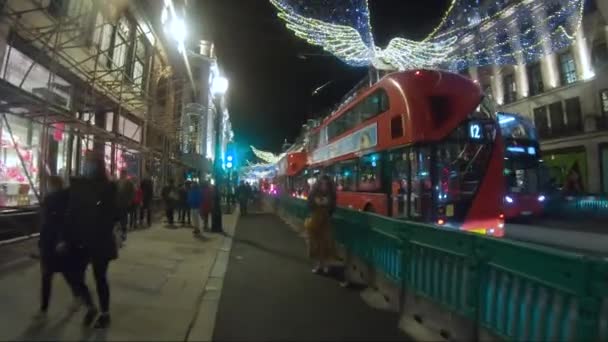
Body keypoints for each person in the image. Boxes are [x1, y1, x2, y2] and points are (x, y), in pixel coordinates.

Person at [64, 153, 118, 329]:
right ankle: (90, 306)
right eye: (86, 163)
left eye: (90, 164)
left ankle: (104, 313)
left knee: (100, 277)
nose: (87, 167)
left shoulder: (108, 188)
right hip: (80, 239)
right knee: (73, 274)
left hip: (100, 240)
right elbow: (71, 210)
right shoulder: (79, 185)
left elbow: (114, 214)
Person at [37, 176, 87, 318]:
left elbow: (47, 224)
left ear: (53, 186)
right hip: (58, 244)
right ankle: (77, 297)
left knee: (48, 277)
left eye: (49, 185)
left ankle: (44, 309)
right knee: (65, 274)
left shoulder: (51, 201)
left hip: (51, 244)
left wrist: (43, 241)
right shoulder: (65, 201)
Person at [306, 175, 336, 274]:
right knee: (315, 244)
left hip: (325, 221)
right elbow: (309, 205)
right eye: (322, 183)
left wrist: (326, 206)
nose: (324, 186)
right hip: (315, 221)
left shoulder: (331, 194)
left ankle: (326, 265)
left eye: (326, 184)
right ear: (318, 184)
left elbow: (332, 207)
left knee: (326, 243)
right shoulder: (313, 193)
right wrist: (318, 204)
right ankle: (319, 265)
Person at [115, 170, 135, 241]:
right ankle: (118, 232)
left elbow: (132, 193)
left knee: (123, 218)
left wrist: (129, 201)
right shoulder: (117, 182)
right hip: (117, 204)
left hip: (124, 203)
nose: (121, 175)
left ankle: (123, 232)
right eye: (121, 174)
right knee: (118, 218)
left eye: (123, 174)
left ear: (125, 175)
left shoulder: (129, 183)